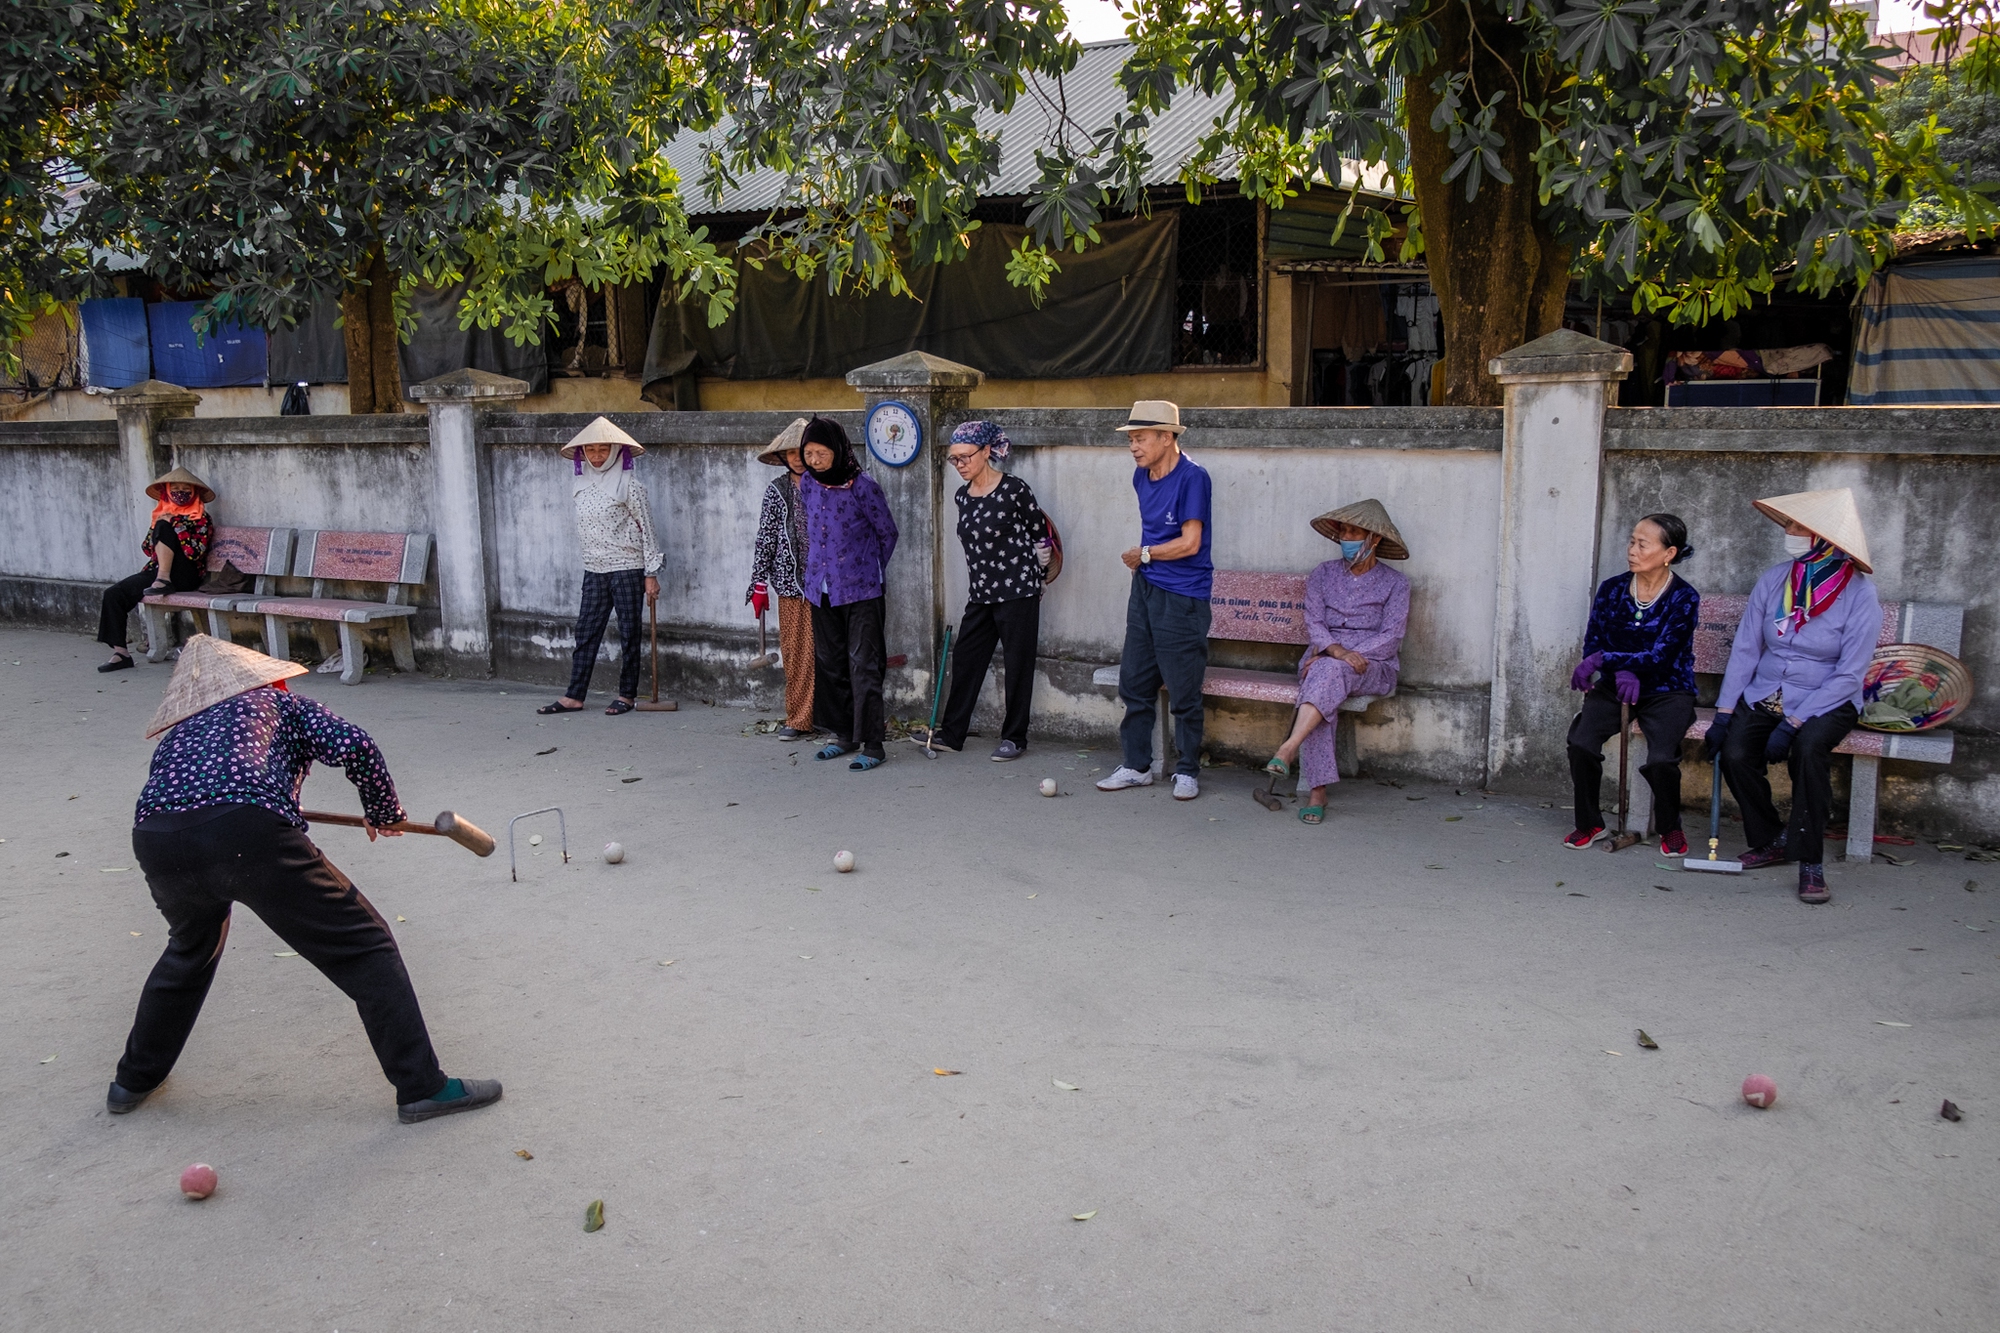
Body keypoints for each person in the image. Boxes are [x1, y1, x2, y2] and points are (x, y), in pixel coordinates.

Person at [107, 635, 500, 1124]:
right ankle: (423, 1087)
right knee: (365, 946)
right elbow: (355, 744)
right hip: (245, 831)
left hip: (157, 839)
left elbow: (191, 800)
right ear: (268, 677)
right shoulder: (277, 702)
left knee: (189, 950)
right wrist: (384, 811)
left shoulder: (182, 733)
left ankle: (131, 1081)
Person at [1706, 488, 1881, 905]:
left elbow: (1850, 674)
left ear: (1824, 537)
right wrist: (1724, 712)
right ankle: (1772, 839)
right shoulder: (1775, 579)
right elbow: (1747, 648)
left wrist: (1794, 722)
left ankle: (1810, 861)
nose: (1789, 531)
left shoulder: (1859, 595)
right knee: (1734, 753)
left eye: (1798, 525)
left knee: (1807, 750)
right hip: (1767, 690)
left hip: (1827, 700)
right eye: (1788, 524)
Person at [1261, 500, 1411, 825]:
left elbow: (1392, 634)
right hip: (1327, 655)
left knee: (1323, 678)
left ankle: (1290, 750)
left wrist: (1354, 654)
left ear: (1374, 539)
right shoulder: (1323, 574)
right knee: (1327, 678)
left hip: (1373, 663)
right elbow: (1313, 622)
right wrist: (1338, 652)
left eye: (1354, 531)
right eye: (1343, 531)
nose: (1346, 537)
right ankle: (1316, 793)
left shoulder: (1396, 584)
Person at [1563, 513, 1701, 854]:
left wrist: (1607, 661)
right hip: (1615, 685)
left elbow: (1661, 657)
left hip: (1668, 689)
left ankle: (1670, 826)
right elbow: (1595, 641)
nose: (1632, 549)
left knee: (1660, 760)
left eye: (1643, 543)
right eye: (1631, 541)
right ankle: (1590, 822)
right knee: (1581, 742)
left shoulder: (1684, 598)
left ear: (1668, 553)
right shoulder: (1612, 589)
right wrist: (1618, 670)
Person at [1096, 401, 1213, 801]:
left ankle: (1187, 770)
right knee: (1135, 680)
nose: (1133, 446)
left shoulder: (1193, 478)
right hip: (1145, 588)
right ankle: (1136, 766)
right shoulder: (1141, 476)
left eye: (1140, 438)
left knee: (1183, 689)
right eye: (1130, 439)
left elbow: (1191, 542)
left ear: (1167, 437)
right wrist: (1145, 563)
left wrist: (1145, 554)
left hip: (1183, 596)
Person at [933, 421, 1052, 761]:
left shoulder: (1015, 490)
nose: (960, 465)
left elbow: (1040, 535)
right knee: (967, 659)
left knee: (1018, 666)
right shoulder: (962, 496)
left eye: (965, 457)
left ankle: (1014, 738)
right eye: (954, 459)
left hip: (1018, 592)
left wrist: (1040, 575)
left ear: (986, 452)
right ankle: (952, 734)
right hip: (981, 593)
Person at [537, 416, 662, 716]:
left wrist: (650, 574)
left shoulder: (630, 485)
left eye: (603, 449)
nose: (596, 455)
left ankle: (627, 695)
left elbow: (648, 529)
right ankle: (574, 695)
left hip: (627, 568)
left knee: (629, 633)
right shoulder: (580, 484)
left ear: (616, 451)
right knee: (586, 631)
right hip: (594, 569)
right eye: (590, 450)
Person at [799, 416, 899, 770]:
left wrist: (866, 568)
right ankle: (843, 735)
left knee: (863, 665)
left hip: (861, 589)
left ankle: (873, 744)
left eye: (821, 452)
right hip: (820, 588)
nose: (814, 460)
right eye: (808, 453)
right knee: (830, 662)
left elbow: (888, 533)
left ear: (838, 451)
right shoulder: (807, 485)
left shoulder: (863, 486)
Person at [97, 466, 216, 673]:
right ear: (167, 492)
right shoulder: (161, 516)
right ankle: (121, 652)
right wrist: (158, 525)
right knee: (114, 594)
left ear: (194, 492)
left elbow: (195, 553)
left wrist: (176, 527)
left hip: (185, 574)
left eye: (185, 488)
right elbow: (146, 549)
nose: (180, 492)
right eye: (176, 488)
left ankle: (163, 579)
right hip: (156, 572)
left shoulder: (201, 519)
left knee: (165, 529)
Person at [748, 418, 817, 740]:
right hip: (791, 586)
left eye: (802, 451)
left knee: (831, 654)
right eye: (790, 453)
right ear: (783, 457)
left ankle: (835, 718)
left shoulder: (830, 486)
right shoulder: (777, 491)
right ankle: (799, 719)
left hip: (830, 586)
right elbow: (766, 538)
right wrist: (759, 582)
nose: (797, 458)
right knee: (796, 654)